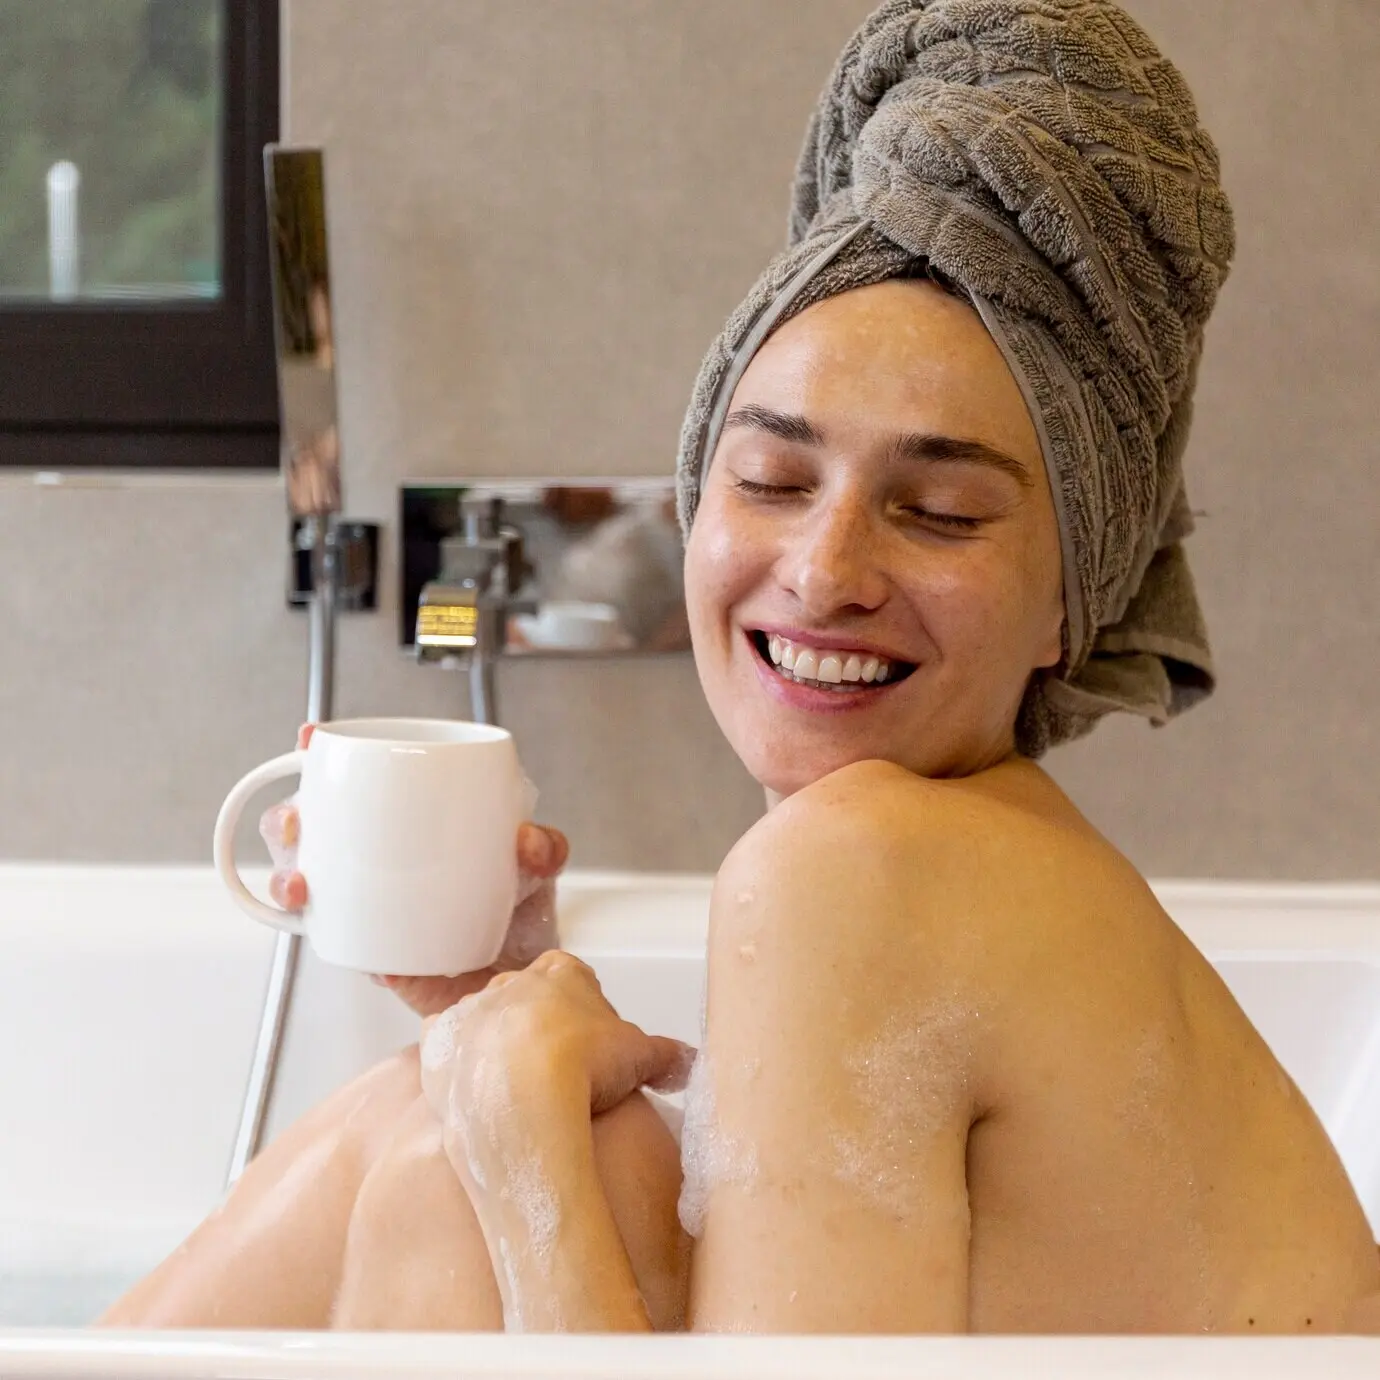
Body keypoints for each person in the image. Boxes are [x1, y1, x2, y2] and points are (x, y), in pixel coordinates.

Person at [102, 0, 1380, 1336]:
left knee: (459, 1171)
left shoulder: (864, 869)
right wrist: (492, 1018)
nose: (825, 572)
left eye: (942, 512)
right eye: (770, 478)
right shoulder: (979, 873)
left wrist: (519, 1157)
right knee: (455, 1132)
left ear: (1074, 602)